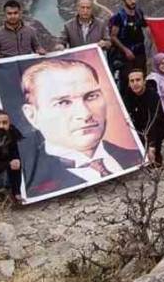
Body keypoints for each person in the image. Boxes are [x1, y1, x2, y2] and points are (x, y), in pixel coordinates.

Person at [19, 58, 144, 196]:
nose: (85, 114)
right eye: (63, 102)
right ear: (32, 115)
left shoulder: (135, 156)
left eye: (91, 96)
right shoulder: (32, 180)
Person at [122, 69, 164, 168]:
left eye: (138, 80)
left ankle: (155, 150)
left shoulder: (153, 96)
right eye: (132, 81)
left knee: (155, 163)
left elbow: (154, 121)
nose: (135, 83)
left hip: (156, 128)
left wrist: (152, 146)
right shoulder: (127, 95)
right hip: (139, 127)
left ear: (144, 81)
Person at [109, 0, 148, 79]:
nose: (132, 1)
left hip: (140, 53)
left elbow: (146, 26)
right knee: (128, 80)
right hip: (126, 55)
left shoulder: (139, 13)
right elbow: (113, 36)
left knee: (142, 77)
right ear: (124, 1)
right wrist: (125, 50)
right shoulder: (119, 17)